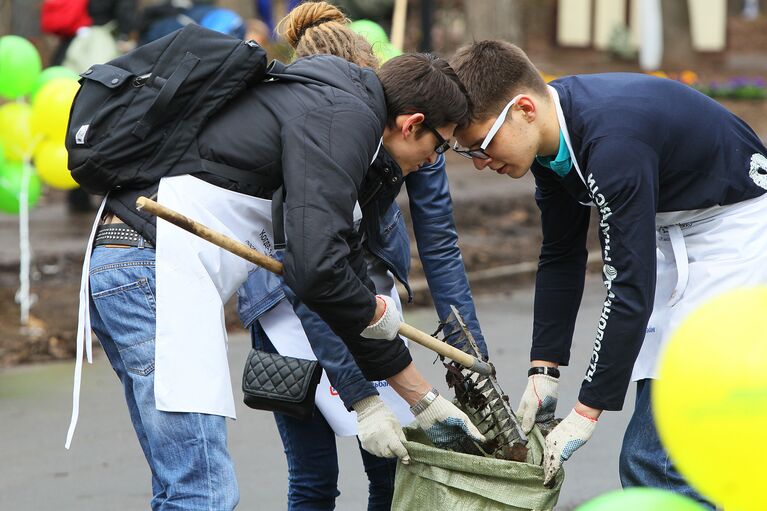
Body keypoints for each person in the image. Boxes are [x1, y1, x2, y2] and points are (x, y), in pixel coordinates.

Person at [68, 7, 484, 509]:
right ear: (412, 123)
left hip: (137, 265)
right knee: (202, 493)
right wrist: (373, 396)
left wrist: (422, 398)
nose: (432, 163)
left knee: (187, 489)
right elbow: (316, 269)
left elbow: (341, 270)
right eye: (438, 147)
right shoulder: (346, 115)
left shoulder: (330, 106)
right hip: (154, 269)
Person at [449, 40, 767, 506]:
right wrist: (545, 369)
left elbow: (628, 287)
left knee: (659, 453)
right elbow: (561, 254)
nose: (480, 161)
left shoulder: (611, 144)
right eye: (467, 151)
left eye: (483, 144)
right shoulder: (551, 141)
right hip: (675, 224)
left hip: (734, 230)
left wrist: (585, 412)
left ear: (523, 109)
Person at [237, 3, 488, 509]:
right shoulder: (321, 124)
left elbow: (437, 241)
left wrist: (469, 350)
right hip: (285, 296)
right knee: (314, 478)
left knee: (392, 468)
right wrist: (364, 398)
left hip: (363, 295)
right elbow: (309, 269)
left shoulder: (415, 134)